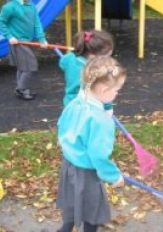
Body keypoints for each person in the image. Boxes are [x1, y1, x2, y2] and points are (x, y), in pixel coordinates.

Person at [56, 56, 127, 232]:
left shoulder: (75, 103)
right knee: (92, 210)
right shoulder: (101, 121)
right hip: (87, 172)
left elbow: (61, 125)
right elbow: (98, 155)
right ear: (103, 89)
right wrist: (114, 176)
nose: (117, 93)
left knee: (72, 202)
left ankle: (65, 228)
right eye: (117, 90)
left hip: (69, 165)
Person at [0, 0, 48, 100]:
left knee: (22, 67)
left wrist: (42, 39)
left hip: (27, 41)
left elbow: (37, 23)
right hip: (18, 42)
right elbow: (1, 21)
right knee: (30, 66)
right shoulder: (10, 7)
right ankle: (21, 88)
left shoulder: (31, 6)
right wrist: (9, 36)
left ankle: (22, 90)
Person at [59, 30, 114, 107]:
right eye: (106, 57)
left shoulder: (69, 58)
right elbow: (102, 91)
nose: (108, 59)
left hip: (69, 103)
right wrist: (108, 107)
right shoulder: (94, 70)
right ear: (92, 55)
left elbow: (62, 64)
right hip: (87, 105)